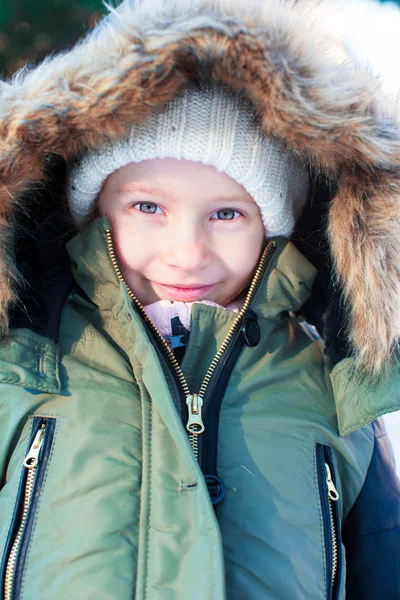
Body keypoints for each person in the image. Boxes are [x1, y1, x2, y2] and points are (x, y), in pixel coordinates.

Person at [0, 0, 399, 598]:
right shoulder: (22, 365)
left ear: (273, 229)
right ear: (94, 210)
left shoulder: (333, 390)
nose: (187, 253)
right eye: (148, 207)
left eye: (227, 213)